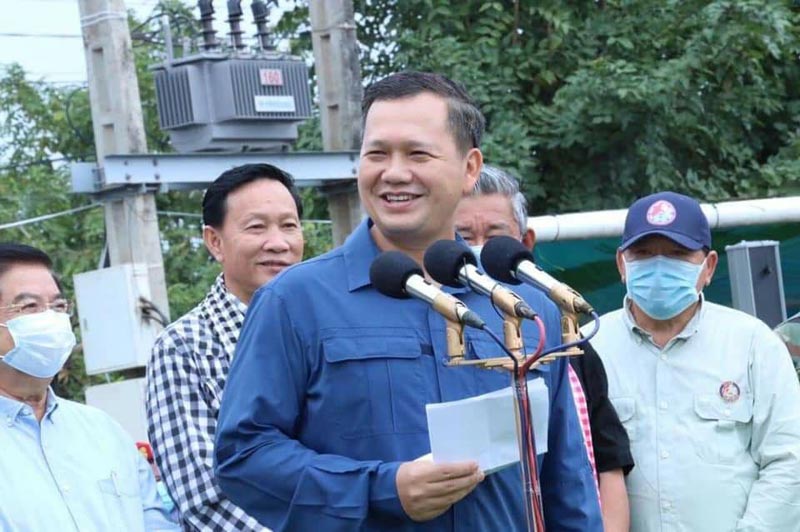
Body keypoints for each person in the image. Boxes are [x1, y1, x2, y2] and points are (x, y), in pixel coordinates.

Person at [214, 71, 602, 531]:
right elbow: (244, 457)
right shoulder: (295, 302)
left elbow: (566, 480)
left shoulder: (522, 306)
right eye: (377, 153)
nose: (394, 173)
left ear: (470, 168)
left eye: (418, 154)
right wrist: (382, 489)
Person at [586, 191, 800, 531]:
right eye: (643, 254)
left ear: (709, 266)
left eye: (678, 254)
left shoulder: (753, 344)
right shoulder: (586, 348)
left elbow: (789, 459)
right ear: (622, 264)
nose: (659, 267)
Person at [454, 164, 634, 532]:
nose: (478, 250)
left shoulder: (562, 339)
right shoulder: (438, 335)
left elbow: (606, 460)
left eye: (494, 237)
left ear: (525, 243)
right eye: (464, 237)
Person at [146, 164, 304, 531]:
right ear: (214, 241)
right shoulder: (183, 348)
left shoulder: (327, 327)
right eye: (256, 227)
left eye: (289, 225)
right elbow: (206, 498)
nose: (278, 243)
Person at [0, 243, 179, 532]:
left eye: (58, 306)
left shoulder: (103, 432)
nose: (50, 319)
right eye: (30, 306)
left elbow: (156, 523)